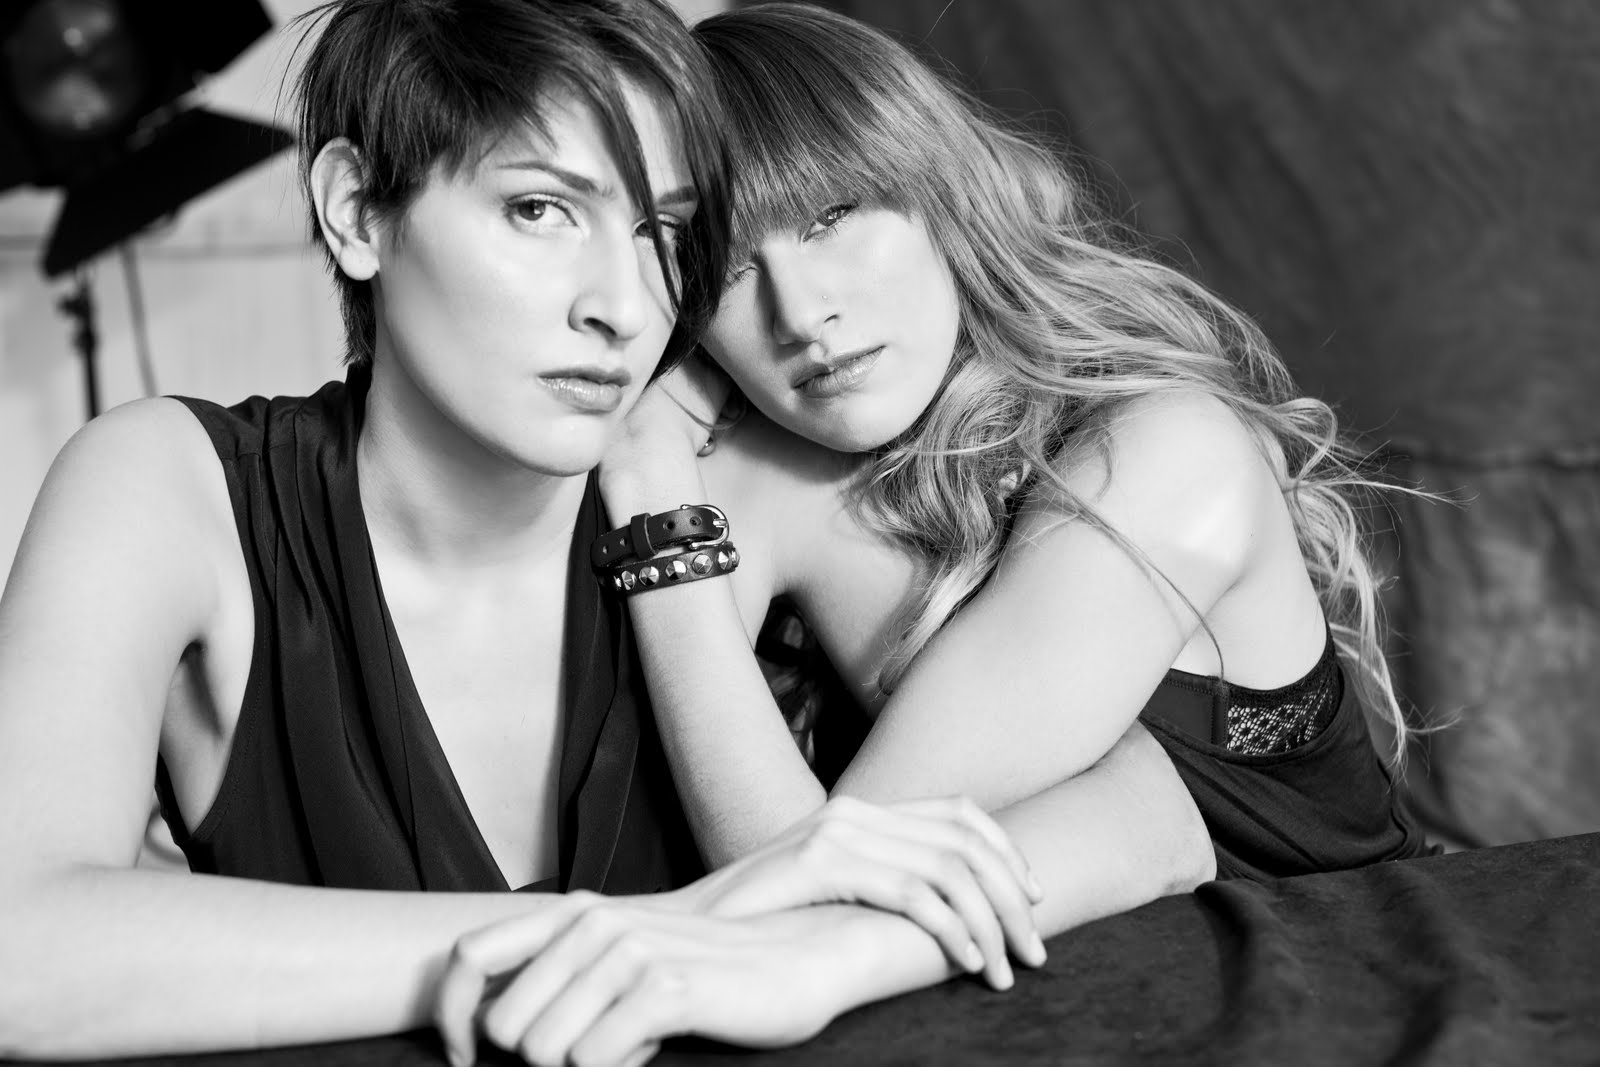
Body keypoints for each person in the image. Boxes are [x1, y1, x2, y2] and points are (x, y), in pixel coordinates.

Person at [0, 2, 1173, 1065]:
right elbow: (21, 952)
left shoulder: (748, 484)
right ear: (357, 211)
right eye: (540, 209)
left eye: (662, 230)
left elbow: (1146, 811)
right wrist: (663, 927)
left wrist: (810, 950)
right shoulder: (174, 490)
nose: (620, 305)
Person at [596, 0, 1431, 925]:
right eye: (726, 268)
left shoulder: (1170, 454)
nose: (801, 314)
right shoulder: (758, 482)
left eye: (831, 216)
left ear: (937, 195)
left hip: (1352, 960)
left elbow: (805, 892)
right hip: (1016, 994)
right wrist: (648, 469)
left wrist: (658, 490)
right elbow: (739, 880)